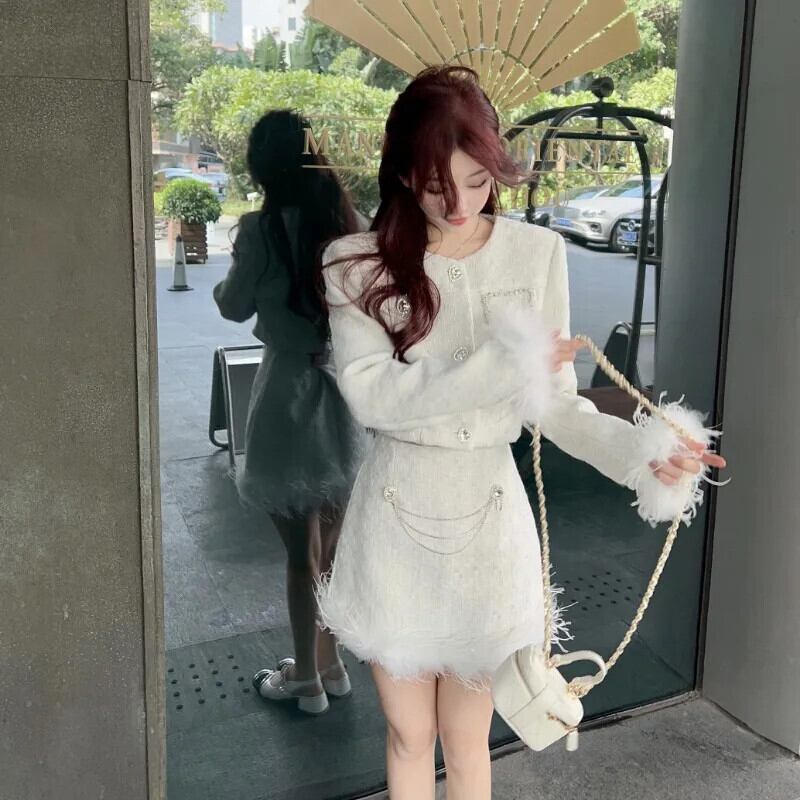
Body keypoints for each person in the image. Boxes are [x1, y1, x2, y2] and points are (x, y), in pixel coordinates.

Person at [315, 67, 728, 799]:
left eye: (477, 181)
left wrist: (645, 455)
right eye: (436, 185)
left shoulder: (535, 254)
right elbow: (372, 397)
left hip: (489, 519)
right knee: (408, 734)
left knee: (467, 739)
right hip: (396, 517)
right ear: (404, 175)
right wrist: (500, 365)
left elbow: (556, 406)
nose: (460, 204)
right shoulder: (354, 263)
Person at [213, 110, 369, 716]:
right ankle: (330, 665)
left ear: (263, 167)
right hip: (342, 392)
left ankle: (305, 679)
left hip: (286, 393)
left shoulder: (261, 229)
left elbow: (232, 306)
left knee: (298, 553)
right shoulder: (348, 227)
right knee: (330, 548)